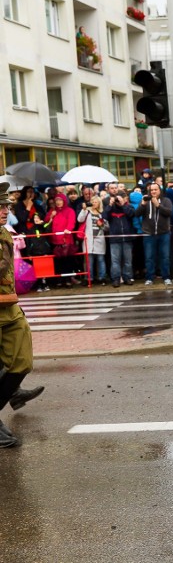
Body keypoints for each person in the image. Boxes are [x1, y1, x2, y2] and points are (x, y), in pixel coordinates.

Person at [0, 182, 38, 448]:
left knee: (21, 362)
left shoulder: (4, 234)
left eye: (6, 206)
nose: (5, 210)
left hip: (8, 308)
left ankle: (12, 396)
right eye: (1, 206)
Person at [135, 182, 172, 285]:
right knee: (149, 257)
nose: (154, 192)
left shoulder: (166, 200)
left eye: (155, 189)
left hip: (163, 233)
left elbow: (169, 213)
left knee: (165, 257)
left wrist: (158, 205)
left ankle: (166, 277)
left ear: (159, 190)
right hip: (149, 234)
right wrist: (142, 205)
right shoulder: (145, 201)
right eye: (152, 190)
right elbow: (136, 214)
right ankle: (149, 278)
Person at [44, 193, 79, 287]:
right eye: (56, 201)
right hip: (55, 240)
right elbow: (46, 221)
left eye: (60, 200)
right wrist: (51, 216)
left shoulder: (70, 211)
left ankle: (68, 279)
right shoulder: (52, 211)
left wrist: (68, 229)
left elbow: (72, 221)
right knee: (58, 261)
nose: (58, 202)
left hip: (65, 239)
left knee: (67, 260)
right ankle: (59, 279)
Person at [104, 190, 135, 287]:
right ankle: (116, 279)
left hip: (127, 238)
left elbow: (131, 214)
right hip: (115, 239)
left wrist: (123, 204)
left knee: (128, 260)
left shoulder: (128, 207)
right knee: (115, 261)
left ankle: (127, 277)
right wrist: (110, 205)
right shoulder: (111, 209)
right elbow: (104, 216)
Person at [77, 195, 109, 285]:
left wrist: (101, 225)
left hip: (99, 239)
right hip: (89, 239)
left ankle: (101, 277)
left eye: (96, 202)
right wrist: (83, 210)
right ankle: (88, 278)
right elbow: (79, 219)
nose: (94, 203)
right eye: (93, 202)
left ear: (99, 204)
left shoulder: (101, 213)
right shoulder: (87, 212)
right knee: (88, 260)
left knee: (100, 259)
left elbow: (107, 227)